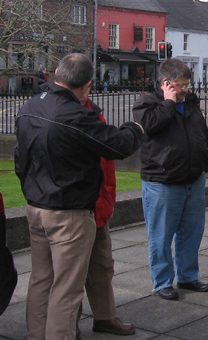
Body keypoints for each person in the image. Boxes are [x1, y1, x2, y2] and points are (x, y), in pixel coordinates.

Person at [14, 53, 143, 339]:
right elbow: (119, 146)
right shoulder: (74, 115)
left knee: (41, 281)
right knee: (66, 289)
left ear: (57, 74)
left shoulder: (30, 107)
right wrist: (136, 128)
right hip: (68, 212)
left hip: (37, 207)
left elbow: (20, 161)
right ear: (86, 86)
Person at [133, 58, 208, 301]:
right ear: (166, 84)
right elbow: (149, 126)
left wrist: (203, 162)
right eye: (180, 85)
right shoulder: (147, 103)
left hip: (193, 179)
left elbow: (200, 133)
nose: (186, 89)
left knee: (191, 232)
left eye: (187, 84)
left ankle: (188, 276)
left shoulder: (190, 102)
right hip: (163, 182)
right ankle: (163, 282)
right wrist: (168, 103)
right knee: (161, 236)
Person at [76, 98, 135, 336]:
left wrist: (108, 197)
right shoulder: (67, 112)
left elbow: (106, 161)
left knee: (102, 266)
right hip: (78, 206)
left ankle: (105, 317)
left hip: (98, 204)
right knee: (72, 273)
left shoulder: (93, 111)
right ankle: (68, 324)